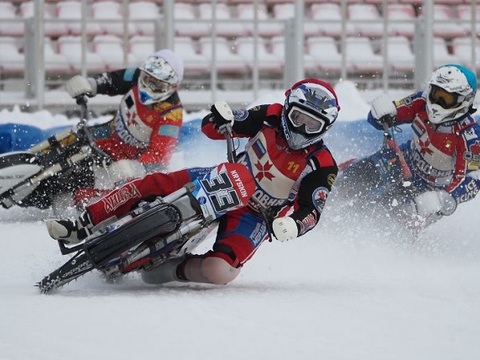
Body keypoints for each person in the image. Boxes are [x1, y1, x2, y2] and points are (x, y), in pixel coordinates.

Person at [45, 78, 340, 286]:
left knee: (219, 271)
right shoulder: (270, 114)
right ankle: (80, 225)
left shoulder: (323, 164)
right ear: (288, 107)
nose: (302, 128)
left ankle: (171, 270)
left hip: (256, 214)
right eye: (299, 117)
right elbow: (213, 128)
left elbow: (311, 211)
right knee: (152, 183)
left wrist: (293, 225)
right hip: (226, 178)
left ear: (325, 127)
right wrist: (219, 119)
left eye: (312, 124)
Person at [65, 49, 184, 206]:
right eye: (147, 79)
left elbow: (159, 155)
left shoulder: (171, 115)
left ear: (171, 87)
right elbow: (113, 80)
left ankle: (95, 205)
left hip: (129, 161)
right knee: (70, 142)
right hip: (109, 135)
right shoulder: (137, 75)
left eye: (157, 85)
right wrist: (90, 85)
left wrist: (137, 167)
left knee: (96, 189)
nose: (148, 87)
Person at [367, 64, 480, 228]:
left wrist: (444, 199)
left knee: (394, 227)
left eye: (446, 99)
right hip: (401, 159)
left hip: (430, 191)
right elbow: (383, 117)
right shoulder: (421, 101)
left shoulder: (470, 137)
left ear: (464, 100)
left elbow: (473, 179)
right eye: (436, 93)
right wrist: (379, 112)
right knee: (355, 175)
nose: (437, 102)